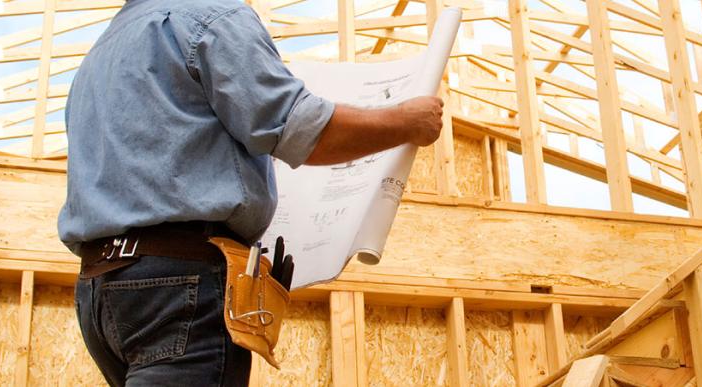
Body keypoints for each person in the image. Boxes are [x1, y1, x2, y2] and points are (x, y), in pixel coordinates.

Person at [57, 0, 443, 385]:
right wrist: (406, 121)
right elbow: (303, 130)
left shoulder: (101, 52)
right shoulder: (211, 17)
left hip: (100, 288)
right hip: (179, 286)